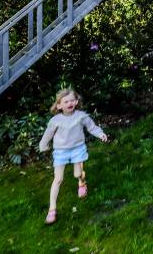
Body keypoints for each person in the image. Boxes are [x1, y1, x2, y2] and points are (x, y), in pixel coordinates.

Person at [38, 89, 108, 224]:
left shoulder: (81, 116)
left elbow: (92, 127)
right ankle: (52, 209)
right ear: (59, 105)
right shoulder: (55, 120)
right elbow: (48, 134)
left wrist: (100, 134)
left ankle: (82, 182)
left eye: (72, 100)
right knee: (58, 179)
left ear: (76, 102)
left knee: (77, 174)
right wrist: (43, 145)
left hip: (77, 149)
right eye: (66, 101)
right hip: (60, 152)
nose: (69, 103)